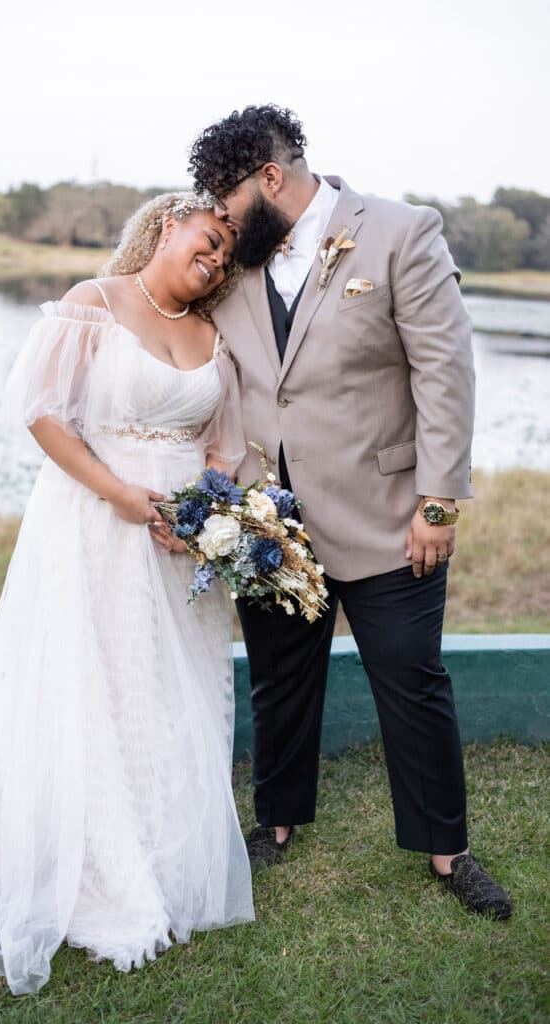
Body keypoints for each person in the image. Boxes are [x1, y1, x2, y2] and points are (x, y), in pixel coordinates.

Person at [0, 192, 254, 1020]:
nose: (216, 259)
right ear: (166, 225)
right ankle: (69, 856)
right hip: (92, 524)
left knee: (162, 689)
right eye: (210, 239)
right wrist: (118, 491)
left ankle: (152, 854)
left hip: (175, 549)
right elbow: (39, 412)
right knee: (87, 683)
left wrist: (208, 517)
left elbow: (223, 447)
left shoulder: (212, 338)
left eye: (226, 254)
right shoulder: (93, 304)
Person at [188, 104, 511, 920]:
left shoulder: (402, 232)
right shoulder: (237, 257)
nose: (219, 218)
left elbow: (444, 371)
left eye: (225, 198)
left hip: (387, 512)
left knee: (411, 677)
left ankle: (447, 848)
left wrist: (437, 503)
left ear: (271, 177)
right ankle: (278, 820)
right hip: (267, 523)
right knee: (279, 683)